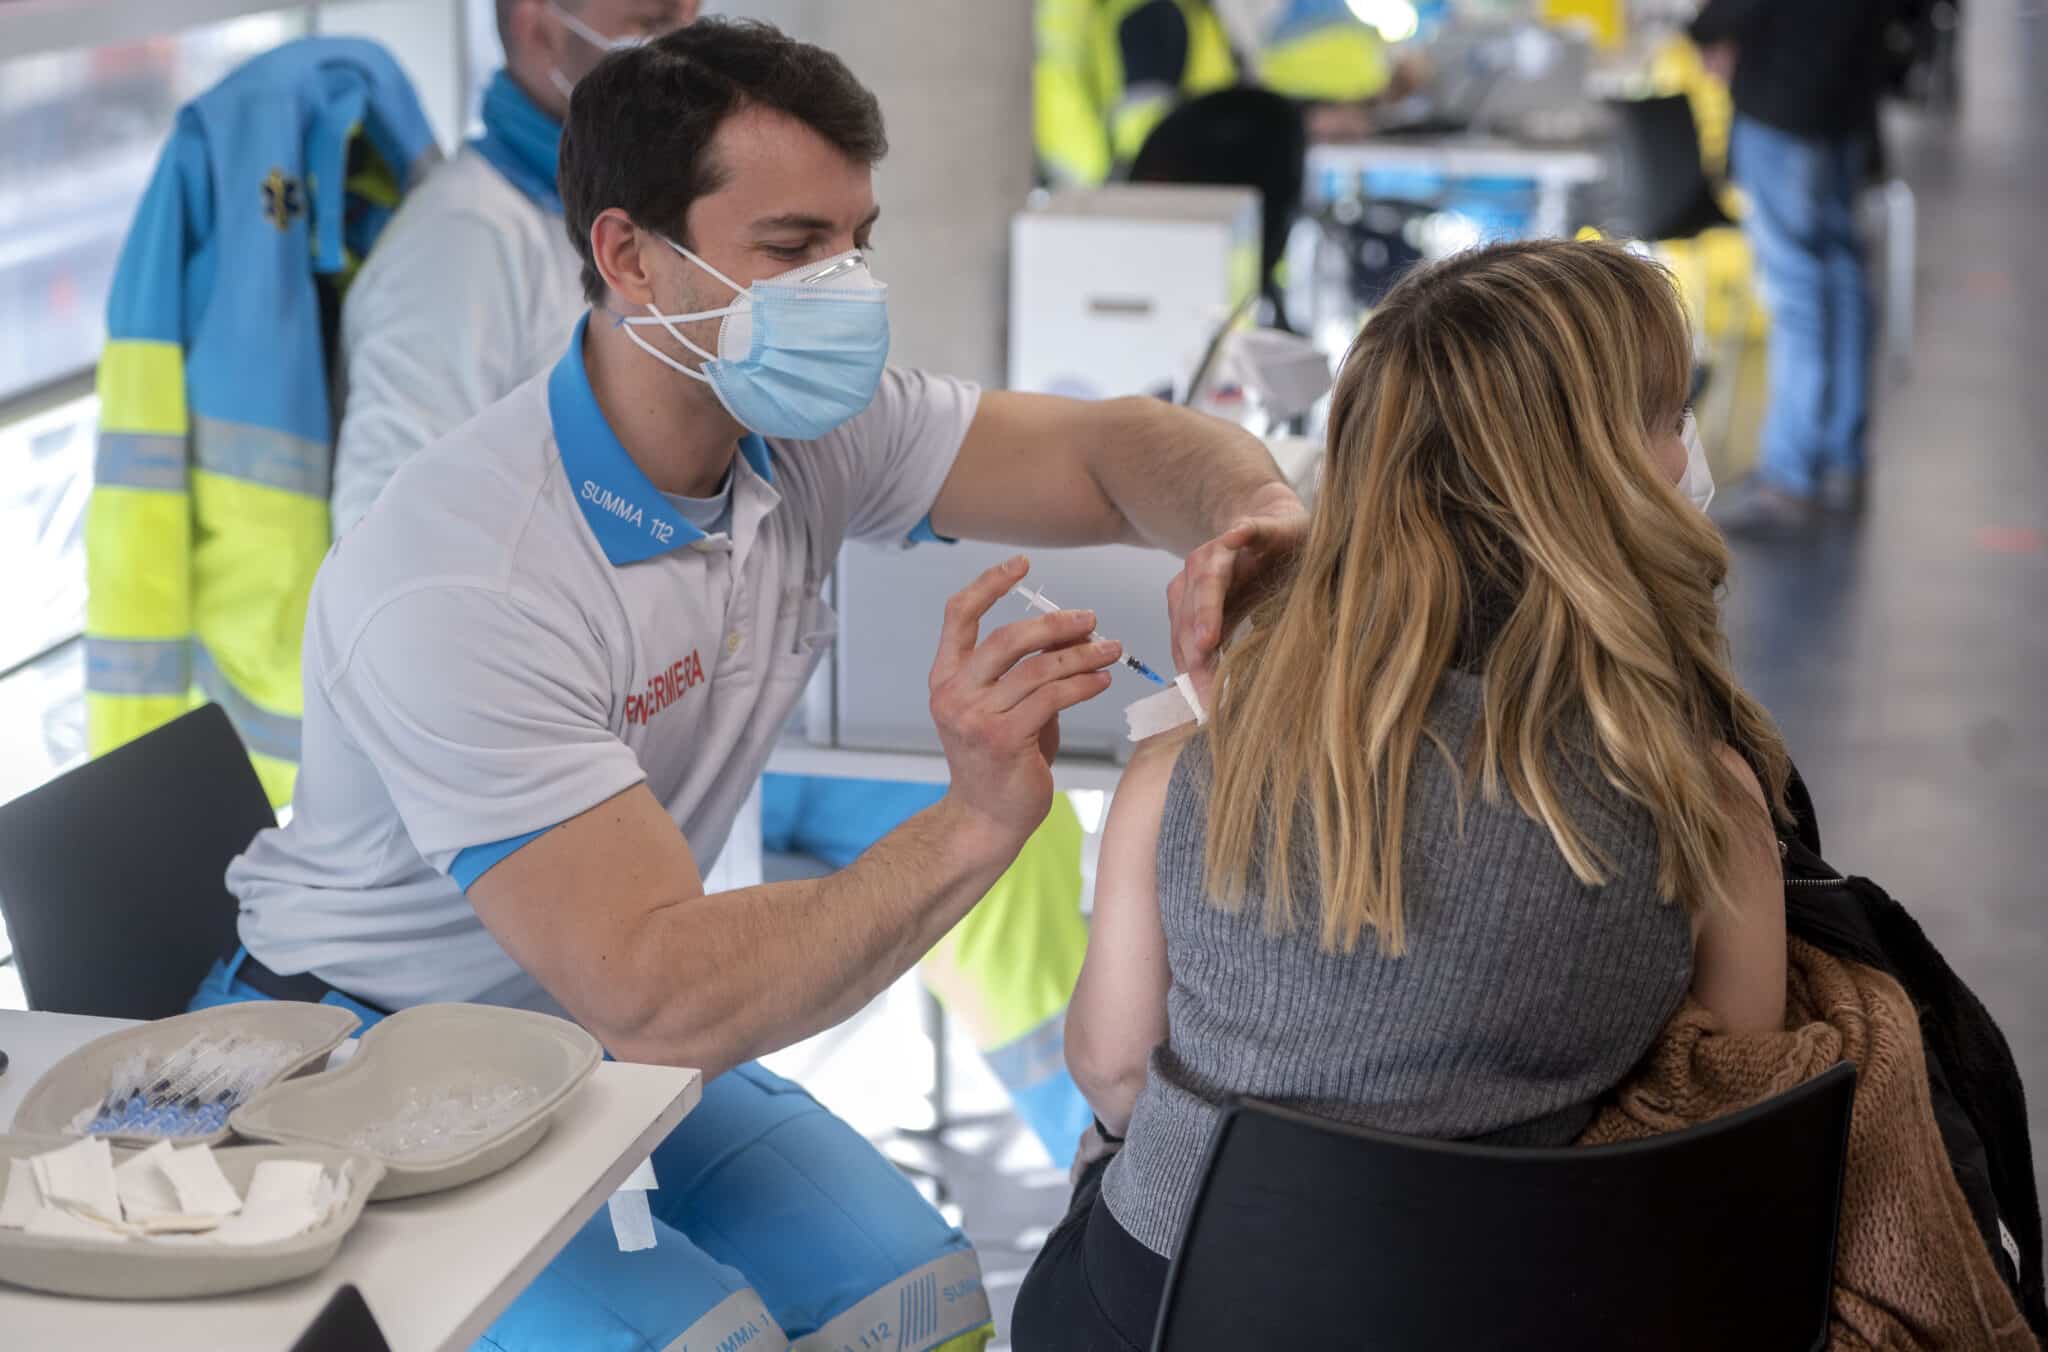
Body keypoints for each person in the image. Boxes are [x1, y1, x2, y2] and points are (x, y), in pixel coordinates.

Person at [193, 19, 1307, 1352]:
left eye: (858, 241)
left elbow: (1110, 448)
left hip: (581, 1039)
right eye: (793, 250)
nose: (846, 287)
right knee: (710, 1340)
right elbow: (665, 997)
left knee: (923, 1297)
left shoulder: (803, 435)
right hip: (368, 1056)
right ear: (630, 260)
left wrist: (1257, 520)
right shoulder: (466, 577)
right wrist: (972, 821)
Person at [1011, 239, 1795, 1349]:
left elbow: (1111, 1069)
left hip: (1176, 1303)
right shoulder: (1696, 786)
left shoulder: (1189, 766)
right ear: (1601, 472)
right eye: (1670, 418)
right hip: (1534, 1305)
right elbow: (1721, 1083)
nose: (1688, 452)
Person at [330, 0, 698, 537]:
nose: (686, 59)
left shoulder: (619, 218)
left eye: (693, 22)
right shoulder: (463, 238)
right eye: (651, 26)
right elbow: (386, 531)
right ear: (539, 28)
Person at [1691, 0, 1893, 535]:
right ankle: (1840, 460)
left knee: (1798, 292)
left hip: (1785, 103)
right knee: (1841, 281)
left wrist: (1709, 27)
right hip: (1845, 103)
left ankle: (1790, 478)